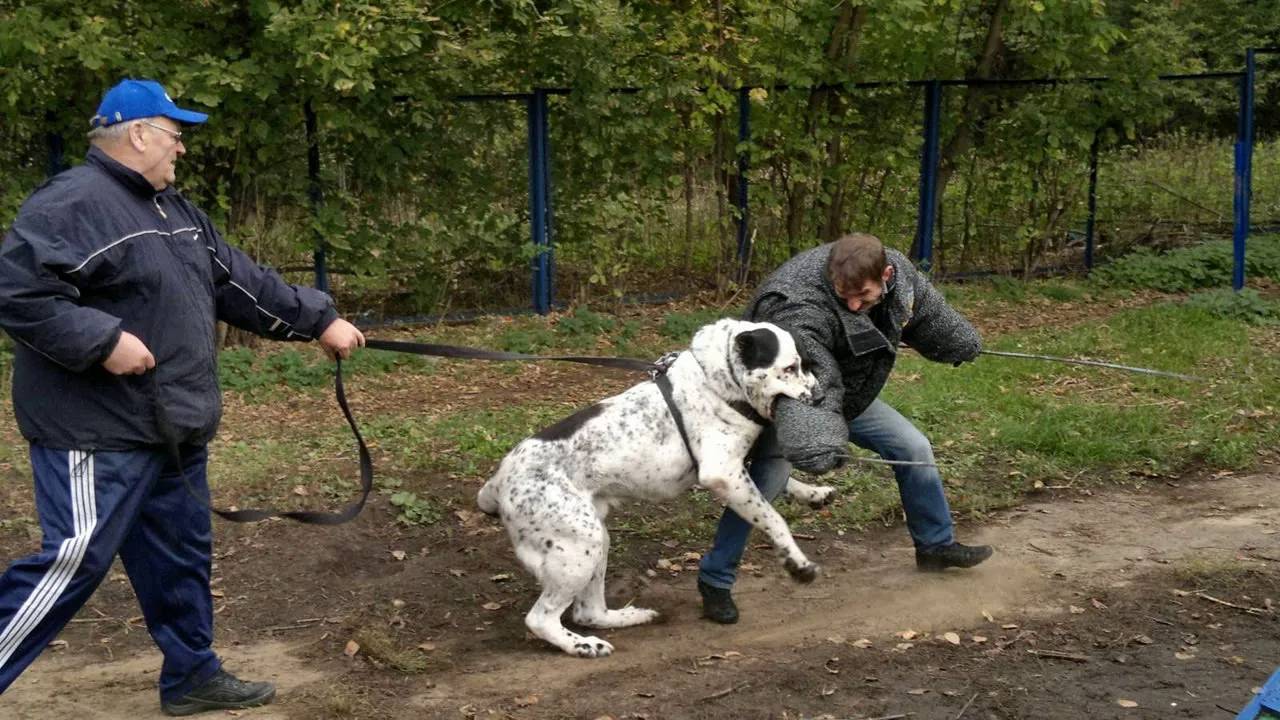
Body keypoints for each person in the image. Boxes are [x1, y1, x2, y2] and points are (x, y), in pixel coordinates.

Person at [0, 79, 365, 714]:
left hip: (171, 425)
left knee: (178, 558)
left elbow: (240, 284)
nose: (182, 148)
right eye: (175, 134)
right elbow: (18, 293)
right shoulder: (73, 203)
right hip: (96, 430)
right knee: (73, 561)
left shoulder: (173, 213)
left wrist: (319, 321)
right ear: (139, 134)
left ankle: (192, 675)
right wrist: (102, 340)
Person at [697, 232, 993, 624]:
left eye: (863, 295)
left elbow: (922, 311)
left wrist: (958, 341)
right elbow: (809, 377)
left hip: (850, 394)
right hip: (791, 400)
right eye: (844, 294)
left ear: (886, 275)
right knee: (767, 482)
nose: (854, 304)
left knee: (913, 448)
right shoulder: (795, 303)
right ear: (831, 273)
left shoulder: (900, 275)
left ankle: (935, 546)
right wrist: (818, 438)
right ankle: (715, 578)